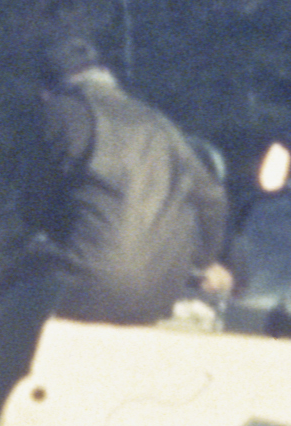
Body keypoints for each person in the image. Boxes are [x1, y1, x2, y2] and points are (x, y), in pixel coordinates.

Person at [28, 27, 229, 325]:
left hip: (86, 287)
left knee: (14, 276)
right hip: (160, 297)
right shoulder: (160, 123)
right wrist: (205, 261)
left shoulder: (61, 110)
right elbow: (213, 199)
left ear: (47, 90)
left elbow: (33, 203)